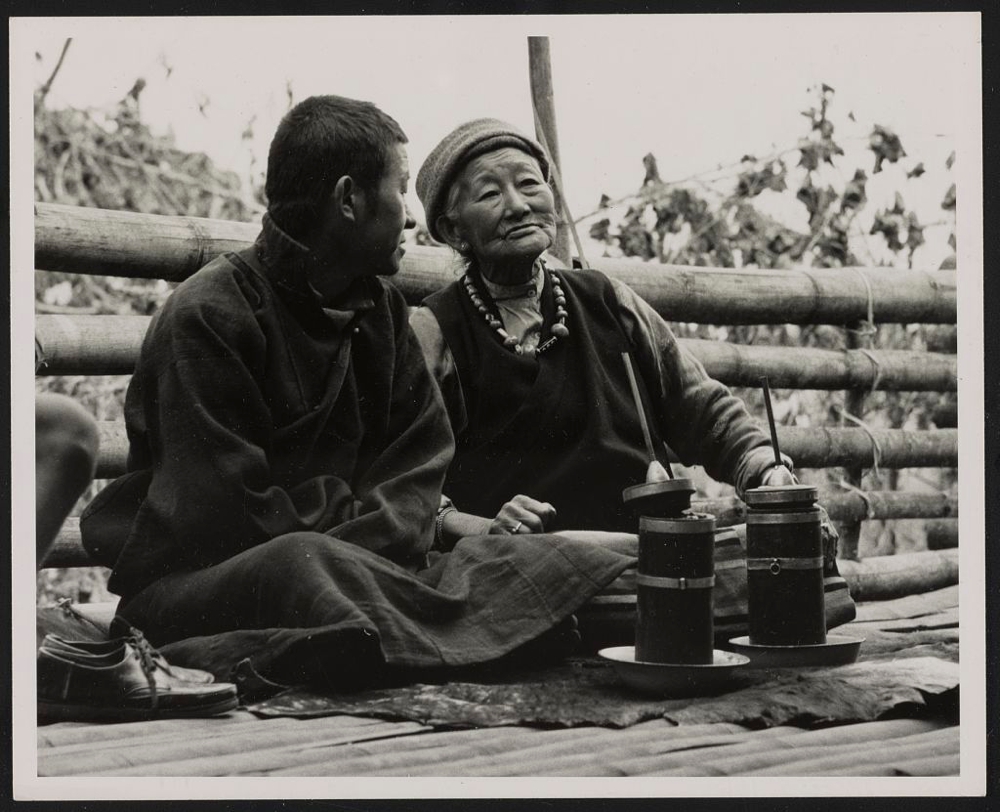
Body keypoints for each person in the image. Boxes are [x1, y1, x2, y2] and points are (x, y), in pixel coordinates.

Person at [79, 97, 632, 691]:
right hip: (208, 581)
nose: (413, 219)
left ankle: (388, 641)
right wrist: (361, 517)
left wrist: (372, 526)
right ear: (349, 200)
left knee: (509, 560)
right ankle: (483, 637)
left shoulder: (385, 314)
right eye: (399, 188)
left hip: (366, 565)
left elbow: (416, 472)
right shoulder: (211, 314)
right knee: (301, 562)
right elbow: (224, 510)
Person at [410, 118, 797, 545]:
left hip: (642, 554)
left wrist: (766, 468)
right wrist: (478, 527)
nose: (519, 205)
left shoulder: (609, 301)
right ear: (452, 229)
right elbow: (403, 485)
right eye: (490, 194)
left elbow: (700, 409)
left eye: (529, 184)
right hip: (512, 566)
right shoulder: (435, 330)